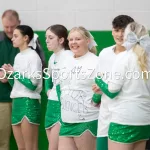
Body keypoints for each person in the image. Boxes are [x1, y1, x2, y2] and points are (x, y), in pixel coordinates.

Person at [95, 22, 150, 150]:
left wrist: (99, 81)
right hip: (145, 120)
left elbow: (112, 91)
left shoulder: (123, 57)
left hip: (124, 119)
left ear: (126, 36)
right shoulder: (147, 59)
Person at [92, 15, 134, 150]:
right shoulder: (104, 53)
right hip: (105, 115)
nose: (120, 35)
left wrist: (105, 87)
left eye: (124, 31)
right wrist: (97, 92)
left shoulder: (136, 55)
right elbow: (99, 80)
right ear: (112, 31)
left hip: (127, 118)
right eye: (117, 30)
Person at [57, 26, 99, 150]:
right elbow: (61, 87)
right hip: (66, 120)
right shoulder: (65, 61)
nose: (73, 43)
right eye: (71, 40)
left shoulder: (96, 61)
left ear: (87, 41)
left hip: (87, 120)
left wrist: (95, 101)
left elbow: (102, 89)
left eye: (78, 39)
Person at [3, 25, 44, 150]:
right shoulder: (18, 56)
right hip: (17, 102)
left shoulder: (33, 57)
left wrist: (14, 72)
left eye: (16, 36)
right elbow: (17, 85)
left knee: (30, 147)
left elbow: (32, 85)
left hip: (29, 103)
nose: (12, 39)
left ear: (26, 38)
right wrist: (8, 74)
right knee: (21, 148)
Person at [44, 24, 71, 150]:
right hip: (51, 105)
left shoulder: (68, 56)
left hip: (61, 106)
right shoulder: (52, 57)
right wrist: (48, 90)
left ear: (61, 40)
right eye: (46, 38)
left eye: (50, 38)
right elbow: (47, 76)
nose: (47, 41)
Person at [0, 9, 20, 150]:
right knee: (3, 140)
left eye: (12, 27)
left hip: (24, 98)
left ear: (19, 23)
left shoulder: (30, 41)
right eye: (6, 26)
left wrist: (12, 76)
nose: (9, 30)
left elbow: (39, 68)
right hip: (3, 98)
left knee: (25, 141)